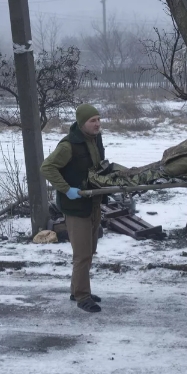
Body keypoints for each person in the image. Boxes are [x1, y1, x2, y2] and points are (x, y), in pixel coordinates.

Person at [40, 104, 106, 313]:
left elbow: (98, 167)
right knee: (82, 254)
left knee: (90, 250)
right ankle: (82, 296)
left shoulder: (95, 140)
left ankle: (77, 289)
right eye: (92, 121)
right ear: (81, 123)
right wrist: (66, 189)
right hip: (75, 207)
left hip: (93, 202)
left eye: (98, 119)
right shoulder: (69, 145)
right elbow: (46, 167)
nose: (97, 124)